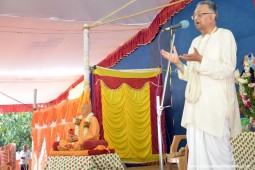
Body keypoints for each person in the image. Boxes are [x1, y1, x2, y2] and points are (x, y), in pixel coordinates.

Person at [161, 1, 242, 169]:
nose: (196, 18)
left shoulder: (225, 36)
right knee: (198, 158)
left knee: (219, 156)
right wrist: (178, 64)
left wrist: (201, 60)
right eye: (194, 15)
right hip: (195, 109)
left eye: (200, 14)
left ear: (213, 16)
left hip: (215, 109)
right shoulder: (195, 41)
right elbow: (192, 75)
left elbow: (227, 69)